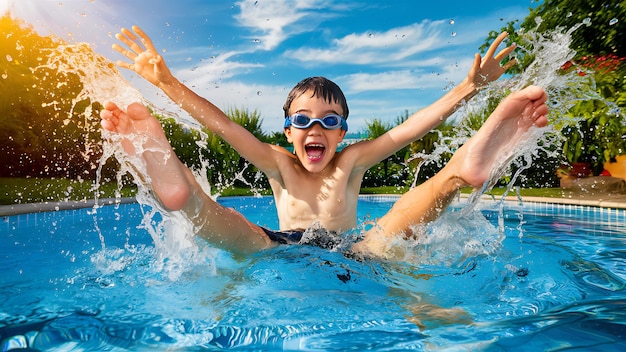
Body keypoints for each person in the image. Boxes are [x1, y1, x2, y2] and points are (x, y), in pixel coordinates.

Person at [100, 26, 549, 259]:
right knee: (233, 227)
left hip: (352, 250)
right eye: (303, 120)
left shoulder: (351, 161)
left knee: (391, 227)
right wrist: (167, 82)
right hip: (277, 245)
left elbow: (410, 128)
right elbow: (225, 127)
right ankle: (182, 190)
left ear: (342, 134)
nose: (315, 130)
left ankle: (459, 172)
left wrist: (468, 87)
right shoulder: (278, 163)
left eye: (328, 121)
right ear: (288, 133)